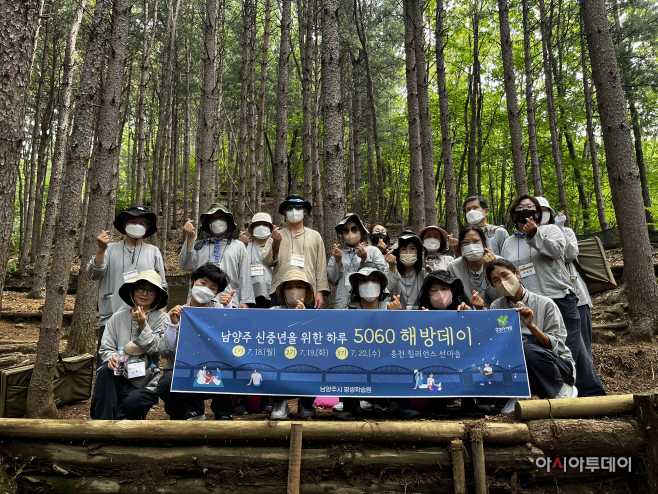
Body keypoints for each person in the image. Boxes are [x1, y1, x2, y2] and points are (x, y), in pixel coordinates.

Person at [499, 195, 605, 397]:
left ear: (537, 213)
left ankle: (591, 396)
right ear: (514, 215)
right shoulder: (508, 242)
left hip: (558, 297)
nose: (525, 210)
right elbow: (509, 271)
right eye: (519, 208)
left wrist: (536, 234)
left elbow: (558, 252)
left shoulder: (552, 230)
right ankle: (558, 394)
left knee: (570, 351)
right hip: (532, 304)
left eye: (529, 207)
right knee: (539, 350)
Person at [486, 259, 578, 412]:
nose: (502, 282)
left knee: (527, 349)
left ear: (517, 274)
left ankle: (561, 388)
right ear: (493, 286)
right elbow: (494, 341)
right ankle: (518, 393)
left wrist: (531, 325)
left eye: (505, 275)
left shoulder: (545, 303)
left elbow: (555, 345)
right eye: (496, 280)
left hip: (555, 363)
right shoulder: (496, 307)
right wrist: (478, 309)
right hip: (516, 365)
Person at [87, 205, 167, 367]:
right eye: (132, 221)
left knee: (142, 369)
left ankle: (142, 393)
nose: (137, 225)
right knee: (110, 365)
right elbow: (94, 274)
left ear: (148, 227)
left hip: (144, 322)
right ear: (124, 224)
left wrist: (161, 315)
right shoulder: (109, 249)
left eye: (142, 222)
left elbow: (162, 284)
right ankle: (107, 393)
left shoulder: (153, 251)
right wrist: (101, 250)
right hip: (112, 318)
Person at [157, 263, 237, 420]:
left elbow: (229, 336)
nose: (206, 289)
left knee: (230, 371)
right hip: (182, 370)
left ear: (216, 293)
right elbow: (167, 351)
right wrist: (173, 324)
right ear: (193, 281)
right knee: (166, 384)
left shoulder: (218, 309)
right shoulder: (178, 312)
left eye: (213, 288)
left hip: (214, 370)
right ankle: (182, 413)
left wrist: (228, 308)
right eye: (203, 283)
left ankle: (223, 413)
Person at [90, 271, 169, 420]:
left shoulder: (162, 319)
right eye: (140, 289)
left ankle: (120, 425)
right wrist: (111, 356)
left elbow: (159, 348)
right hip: (118, 375)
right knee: (105, 372)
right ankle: (104, 429)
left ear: (156, 295)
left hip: (144, 380)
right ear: (133, 291)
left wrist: (142, 325)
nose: (145, 294)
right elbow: (105, 347)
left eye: (150, 290)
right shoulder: (117, 317)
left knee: (134, 402)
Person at [412, 270, 483, 418]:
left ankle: (469, 403)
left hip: (460, 359)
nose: (440, 293)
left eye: (444, 289)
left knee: (467, 362)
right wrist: (420, 323)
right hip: (434, 361)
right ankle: (438, 404)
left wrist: (473, 314)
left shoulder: (463, 309)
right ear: (428, 295)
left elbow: (479, 336)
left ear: (452, 291)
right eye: (434, 290)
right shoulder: (420, 314)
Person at [337, 262, 400, 420]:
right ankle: (351, 407)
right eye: (363, 281)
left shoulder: (391, 308)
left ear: (382, 286)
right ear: (357, 288)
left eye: (374, 280)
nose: (369, 284)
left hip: (385, 362)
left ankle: (398, 405)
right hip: (357, 362)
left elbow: (401, 341)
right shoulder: (347, 311)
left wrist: (396, 318)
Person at [536, 197, 594, 356]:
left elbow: (570, 255)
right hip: (548, 298)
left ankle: (585, 379)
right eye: (537, 210)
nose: (540, 213)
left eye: (544, 210)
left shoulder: (566, 231)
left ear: (550, 212)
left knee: (581, 343)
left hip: (575, 295)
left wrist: (560, 229)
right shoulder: (525, 239)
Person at [179, 203, 254, 308]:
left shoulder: (238, 246)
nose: (217, 221)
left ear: (227, 221)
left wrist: (245, 301)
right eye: (213, 218)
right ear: (208, 222)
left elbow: (244, 275)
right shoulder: (198, 245)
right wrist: (190, 238)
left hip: (228, 301)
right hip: (198, 301)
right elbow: (184, 265)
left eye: (220, 217)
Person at [261, 194, 329, 308]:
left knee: (307, 325)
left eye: (298, 207)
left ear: (305, 211)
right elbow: (266, 261)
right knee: (280, 324)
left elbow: (321, 267)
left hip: (308, 290)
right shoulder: (276, 235)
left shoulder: (315, 236)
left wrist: (320, 292)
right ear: (285, 213)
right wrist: (276, 243)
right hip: (281, 290)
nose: (294, 211)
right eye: (289, 208)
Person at [269, 270, 318, 419]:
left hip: (304, 360)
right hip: (280, 359)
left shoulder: (315, 315)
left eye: (298, 286)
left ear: (306, 291)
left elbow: (317, 344)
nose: (294, 291)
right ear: (283, 292)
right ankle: (279, 404)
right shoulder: (272, 311)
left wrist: (303, 319)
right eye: (289, 287)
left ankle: (306, 404)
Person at [328, 213, 388, 309]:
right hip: (343, 302)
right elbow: (332, 279)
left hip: (369, 303)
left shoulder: (373, 251)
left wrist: (365, 259)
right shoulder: (338, 253)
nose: (350, 233)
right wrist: (338, 260)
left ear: (361, 230)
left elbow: (383, 275)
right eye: (346, 230)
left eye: (354, 229)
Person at [447, 226, 501, 309]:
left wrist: (488, 269)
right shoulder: (453, 267)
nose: (471, 246)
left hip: (497, 314)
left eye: (475, 241)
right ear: (461, 246)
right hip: (468, 315)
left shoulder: (499, 262)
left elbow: (500, 296)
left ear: (483, 243)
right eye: (466, 242)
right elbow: (454, 298)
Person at [385, 230, 425, 310]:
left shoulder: (424, 272)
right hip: (397, 316)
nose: (408, 253)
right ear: (398, 252)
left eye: (412, 248)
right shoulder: (390, 269)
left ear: (418, 251)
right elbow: (386, 293)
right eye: (403, 249)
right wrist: (392, 267)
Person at [243, 212, 275, 308]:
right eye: (257, 224)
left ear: (270, 228)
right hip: (250, 297)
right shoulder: (245, 247)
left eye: (265, 225)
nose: (261, 227)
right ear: (252, 228)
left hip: (273, 295)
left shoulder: (277, 246)